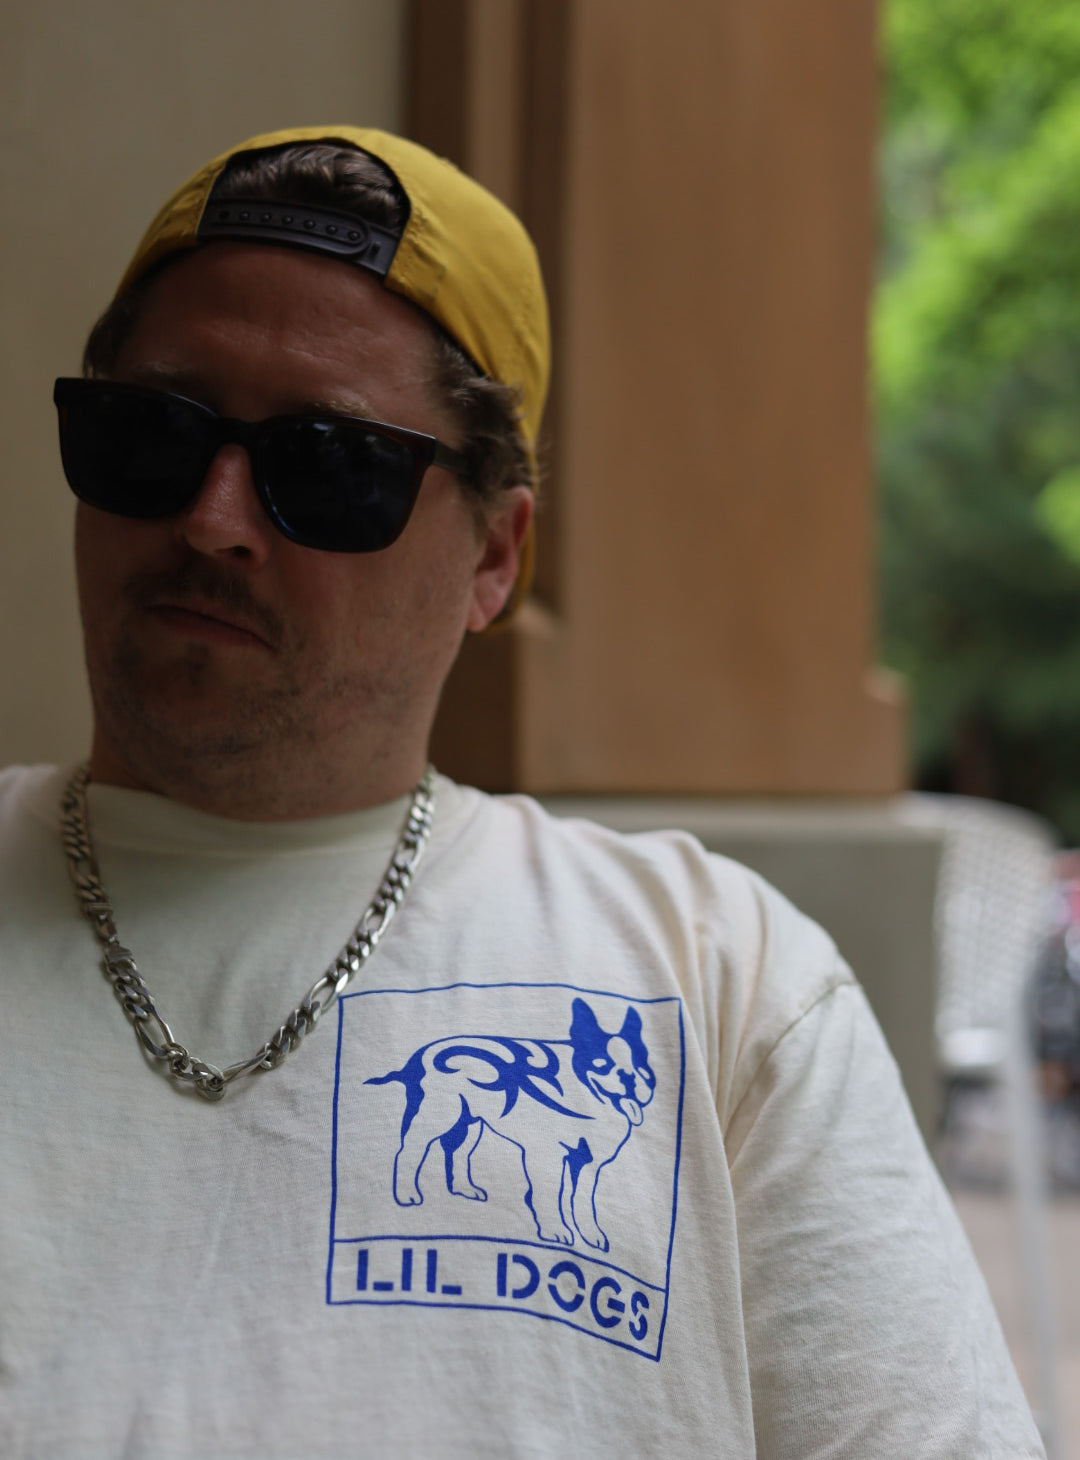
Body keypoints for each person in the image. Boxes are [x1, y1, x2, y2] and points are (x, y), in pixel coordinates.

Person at [0, 126, 1044, 1459]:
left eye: (328, 464)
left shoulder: (723, 981)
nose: (212, 517)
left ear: (496, 554)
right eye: (152, 436)